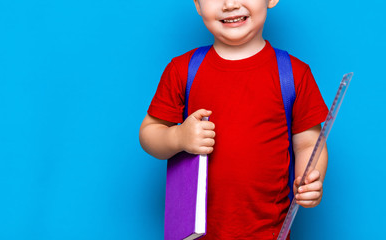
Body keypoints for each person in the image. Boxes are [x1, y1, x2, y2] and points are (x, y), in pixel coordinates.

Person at [139, 0, 329, 239]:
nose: (229, 4)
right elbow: (149, 133)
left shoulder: (294, 74)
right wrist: (177, 137)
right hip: (196, 234)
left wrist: (310, 180)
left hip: (268, 232)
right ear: (197, 4)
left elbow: (309, 143)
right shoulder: (182, 69)